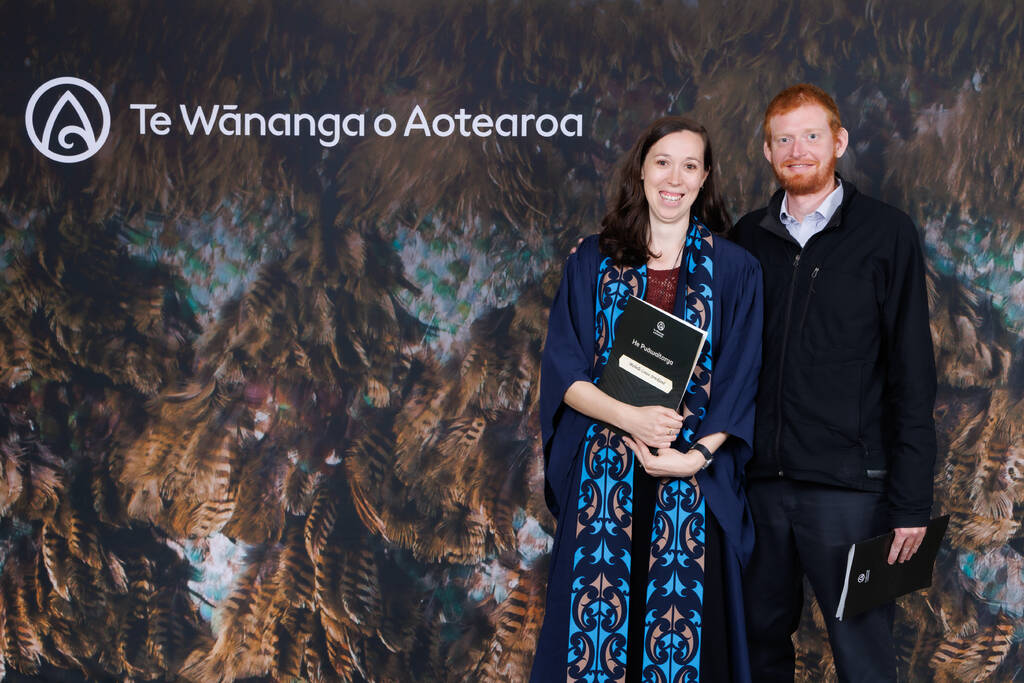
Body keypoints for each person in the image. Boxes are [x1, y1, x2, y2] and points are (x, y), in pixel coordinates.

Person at [532, 116, 763, 683]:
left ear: (704, 177)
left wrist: (695, 457)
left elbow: (739, 378)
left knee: (683, 638)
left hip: (689, 480)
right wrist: (630, 416)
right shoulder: (592, 260)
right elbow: (565, 369)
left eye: (690, 165)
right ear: (642, 169)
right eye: (663, 161)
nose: (674, 177)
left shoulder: (735, 270)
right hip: (603, 480)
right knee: (596, 632)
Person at [730, 84, 937, 681]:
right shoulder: (745, 240)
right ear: (768, 152)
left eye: (812, 135)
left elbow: (912, 373)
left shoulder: (886, 233)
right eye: (784, 139)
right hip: (757, 488)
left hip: (853, 492)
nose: (798, 150)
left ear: (839, 142)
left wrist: (911, 500)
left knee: (864, 656)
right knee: (756, 646)